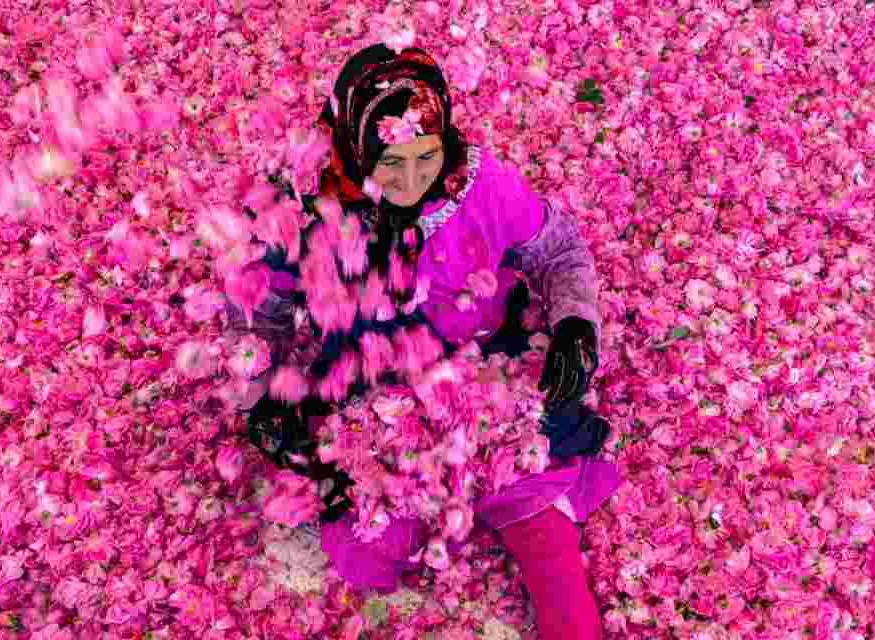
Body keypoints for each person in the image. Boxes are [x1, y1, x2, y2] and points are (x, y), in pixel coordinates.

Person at [226, 45, 623, 640]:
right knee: (367, 547)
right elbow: (259, 308)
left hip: (486, 381)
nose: (412, 182)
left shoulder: (478, 184)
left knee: (541, 525)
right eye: (390, 164)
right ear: (354, 144)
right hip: (372, 400)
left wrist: (573, 326)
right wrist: (263, 395)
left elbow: (558, 250)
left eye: (426, 157)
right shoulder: (301, 207)